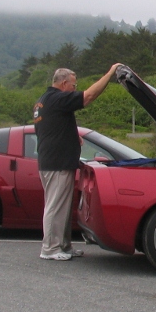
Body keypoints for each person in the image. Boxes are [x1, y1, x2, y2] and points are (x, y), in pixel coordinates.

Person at [33, 64, 121, 261]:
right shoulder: (58, 98)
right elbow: (88, 96)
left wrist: (73, 136)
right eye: (73, 85)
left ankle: (63, 245)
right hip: (57, 163)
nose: (75, 88)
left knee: (62, 206)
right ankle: (49, 248)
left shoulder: (44, 101)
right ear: (64, 84)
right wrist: (109, 74)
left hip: (53, 160)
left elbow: (51, 128)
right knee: (55, 206)